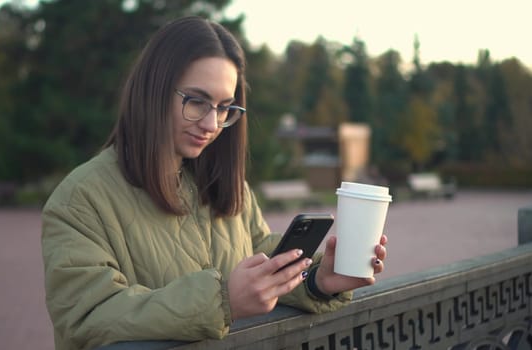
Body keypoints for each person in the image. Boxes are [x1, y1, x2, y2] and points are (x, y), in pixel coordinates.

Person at [41, 16, 388, 350]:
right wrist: (223, 301)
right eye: (196, 101)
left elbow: (261, 259)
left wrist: (317, 281)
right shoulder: (80, 200)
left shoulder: (229, 186)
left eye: (225, 108)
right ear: (153, 89)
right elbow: (86, 319)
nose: (211, 123)